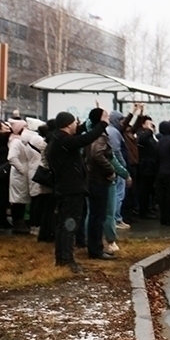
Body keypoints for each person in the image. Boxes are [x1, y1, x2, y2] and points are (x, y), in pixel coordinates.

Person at [47, 109, 109, 273]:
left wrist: (94, 117)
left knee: (62, 225)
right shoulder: (64, 141)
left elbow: (80, 133)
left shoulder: (56, 137)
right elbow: (85, 139)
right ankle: (67, 260)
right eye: (75, 122)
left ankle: (61, 258)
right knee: (69, 226)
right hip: (71, 189)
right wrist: (102, 123)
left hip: (64, 188)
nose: (77, 125)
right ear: (68, 125)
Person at [84, 108, 118, 260]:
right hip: (99, 180)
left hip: (93, 179)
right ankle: (96, 249)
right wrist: (110, 170)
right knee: (98, 216)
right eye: (105, 115)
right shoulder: (100, 135)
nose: (108, 116)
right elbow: (97, 154)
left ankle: (95, 247)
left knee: (95, 215)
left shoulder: (93, 133)